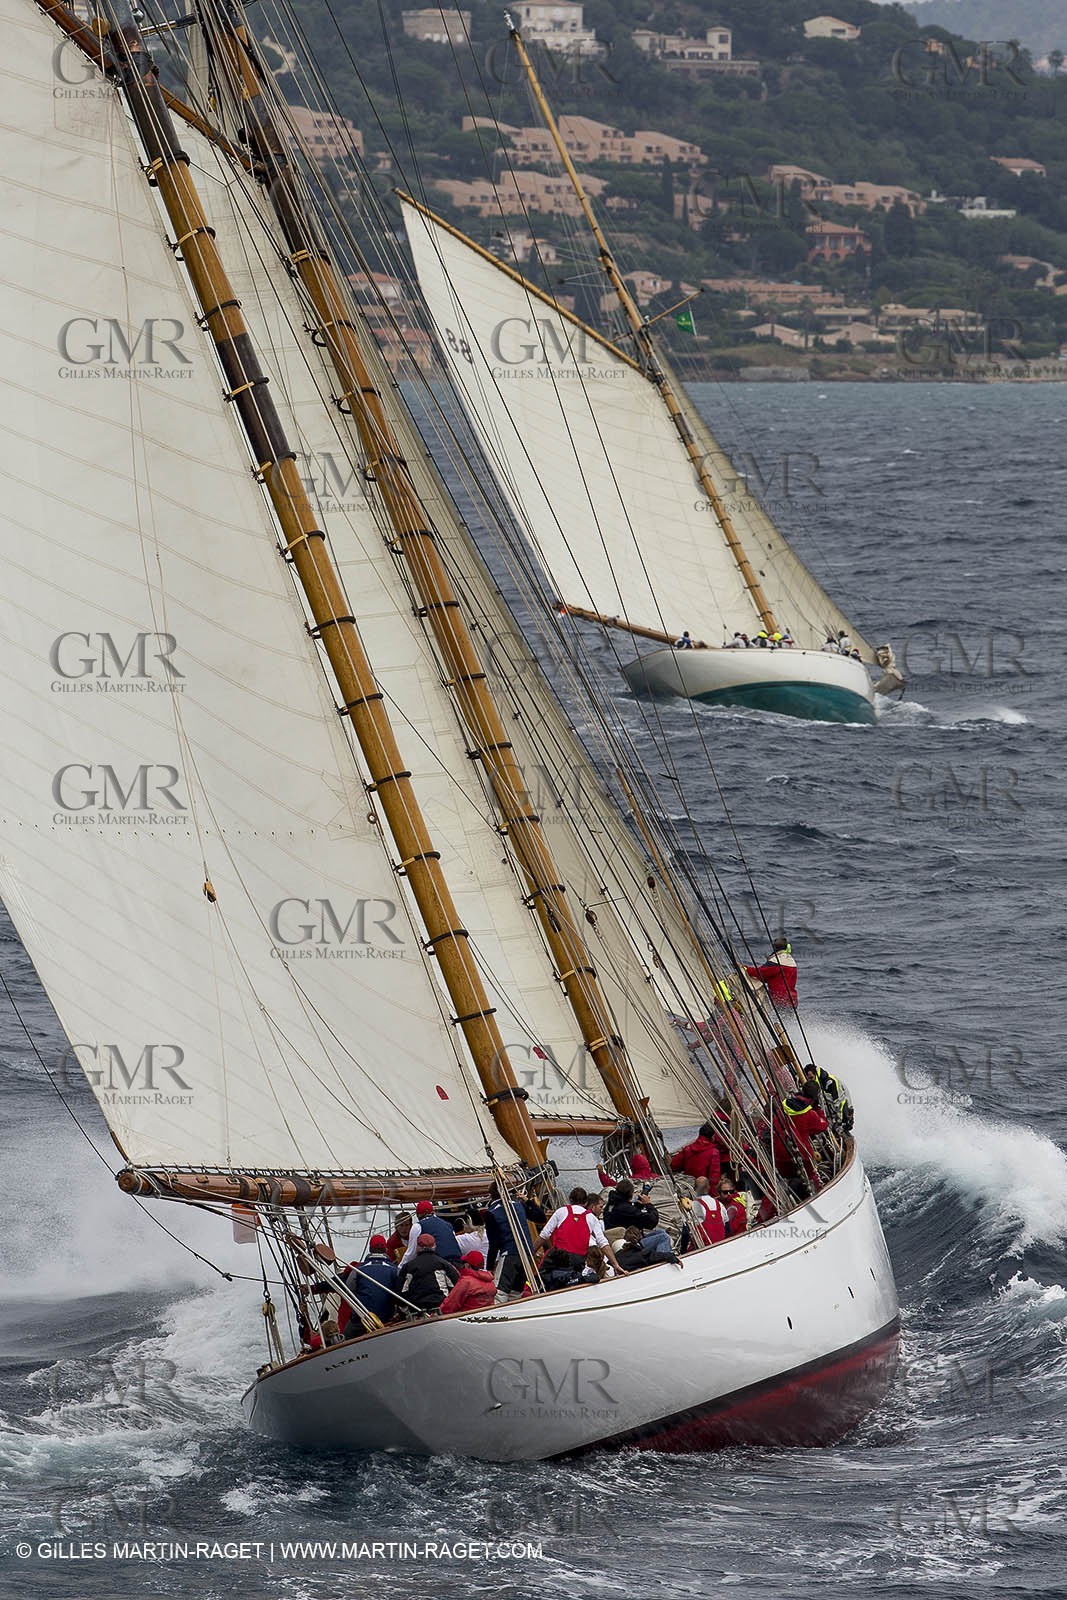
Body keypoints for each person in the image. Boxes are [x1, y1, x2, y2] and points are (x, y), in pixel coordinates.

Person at [537, 1187, 625, 1275]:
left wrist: (531, 1252)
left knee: (541, 1274)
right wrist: (616, 1265)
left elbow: (544, 1235)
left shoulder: (561, 1211)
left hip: (559, 1258)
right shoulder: (591, 1218)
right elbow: (603, 1243)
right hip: (578, 1260)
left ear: (570, 1200)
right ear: (586, 1202)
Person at [337, 1235, 398, 1335]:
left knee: (347, 1335)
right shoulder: (394, 1270)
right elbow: (399, 1291)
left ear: (370, 1249)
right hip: (386, 1318)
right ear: (385, 1249)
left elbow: (349, 1289)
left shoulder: (358, 1269)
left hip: (362, 1319)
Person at [396, 1232, 461, 1313]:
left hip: (417, 1309)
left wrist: (407, 1311)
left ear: (417, 1247)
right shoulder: (444, 1264)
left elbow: (401, 1293)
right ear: (434, 1246)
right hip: (441, 1306)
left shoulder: (408, 1267)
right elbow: (457, 1287)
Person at [485, 1182, 530, 1297]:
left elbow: (494, 1243)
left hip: (510, 1253)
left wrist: (489, 1267)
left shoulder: (491, 1212)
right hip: (527, 1253)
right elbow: (540, 1217)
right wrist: (528, 1201)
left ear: (491, 1195)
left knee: (499, 1292)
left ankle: (500, 1315)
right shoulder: (518, 1205)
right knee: (515, 1293)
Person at [399, 1199, 462, 1267]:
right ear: (433, 1212)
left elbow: (411, 1253)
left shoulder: (418, 1226)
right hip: (457, 1263)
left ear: (418, 1214)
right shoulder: (448, 1225)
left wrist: (400, 1268)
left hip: (439, 1265)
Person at [744, 938, 798, 1009]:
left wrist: (745, 969)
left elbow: (760, 973)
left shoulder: (776, 961)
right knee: (787, 1018)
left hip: (781, 1000)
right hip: (792, 1000)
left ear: (774, 947)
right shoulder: (791, 960)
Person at [670, 1122, 722, 1189]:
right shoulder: (714, 1152)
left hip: (689, 1186)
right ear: (713, 1136)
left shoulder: (688, 1149)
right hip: (704, 1189)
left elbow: (674, 1165)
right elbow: (714, 1177)